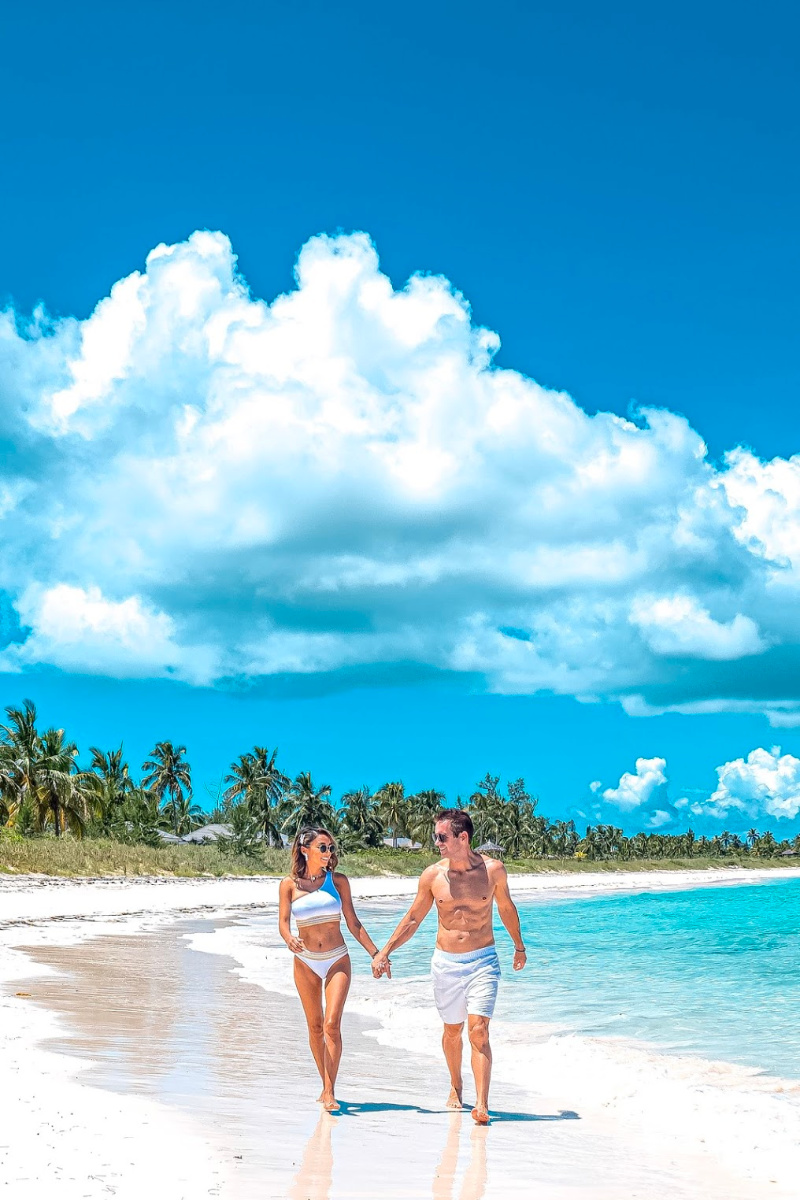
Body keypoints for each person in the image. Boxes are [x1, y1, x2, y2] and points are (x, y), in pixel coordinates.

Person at [372, 809, 526, 1125]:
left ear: (462, 838)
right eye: (436, 837)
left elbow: (506, 908)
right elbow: (414, 917)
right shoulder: (432, 876)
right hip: (446, 964)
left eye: (442, 837)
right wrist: (384, 951)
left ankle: (482, 1104)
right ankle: (456, 1085)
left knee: (479, 1030)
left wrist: (519, 947)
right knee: (452, 1031)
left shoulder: (493, 871)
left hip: (483, 961)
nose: (437, 842)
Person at [279, 825, 383, 1111]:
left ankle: (329, 1090)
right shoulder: (289, 884)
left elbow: (353, 922)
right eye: (322, 847)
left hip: (337, 958)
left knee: (331, 1026)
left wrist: (376, 954)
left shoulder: (338, 882)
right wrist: (290, 939)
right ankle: (324, 1083)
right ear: (305, 850)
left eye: (330, 848)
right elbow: (283, 923)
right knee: (314, 1027)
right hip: (305, 962)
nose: (328, 853)